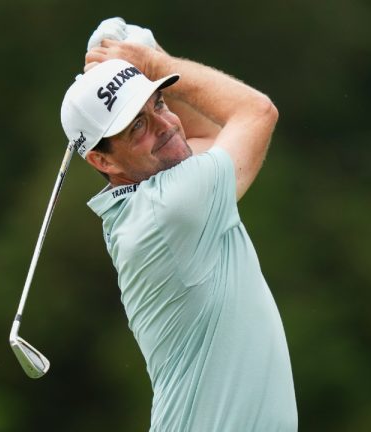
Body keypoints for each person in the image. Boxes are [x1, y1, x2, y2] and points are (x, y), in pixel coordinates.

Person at [60, 18, 298, 431]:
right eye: (137, 127)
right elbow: (256, 112)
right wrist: (153, 60)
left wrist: (144, 70)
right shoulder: (170, 210)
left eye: (159, 103)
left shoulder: (152, 192)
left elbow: (204, 136)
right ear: (102, 161)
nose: (165, 125)